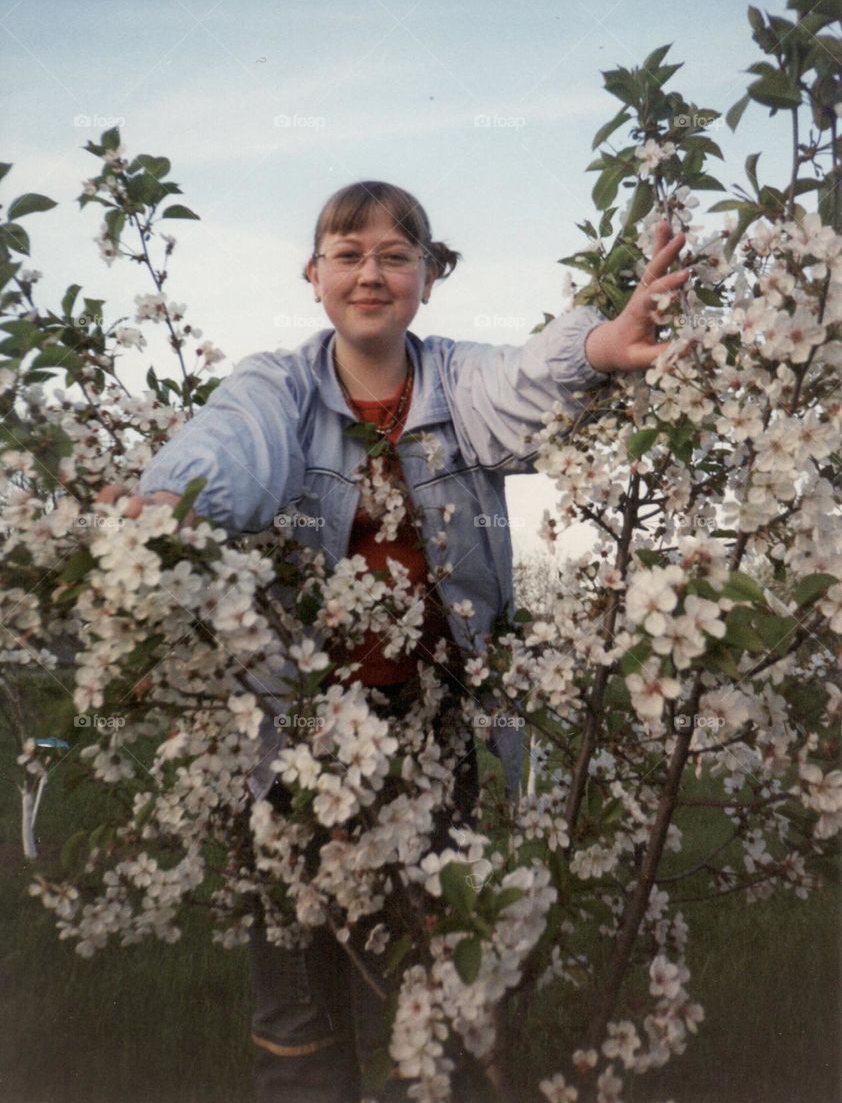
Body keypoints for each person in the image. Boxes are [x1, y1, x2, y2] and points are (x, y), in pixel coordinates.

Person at [95, 182, 689, 1102]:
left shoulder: (456, 382)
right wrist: (176, 502)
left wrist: (602, 346)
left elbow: (526, 380)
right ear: (315, 275)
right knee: (297, 1015)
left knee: (424, 1005)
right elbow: (234, 443)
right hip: (296, 748)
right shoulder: (278, 389)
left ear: (427, 276)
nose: (370, 272)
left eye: (395, 254)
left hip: (433, 740)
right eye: (347, 252)